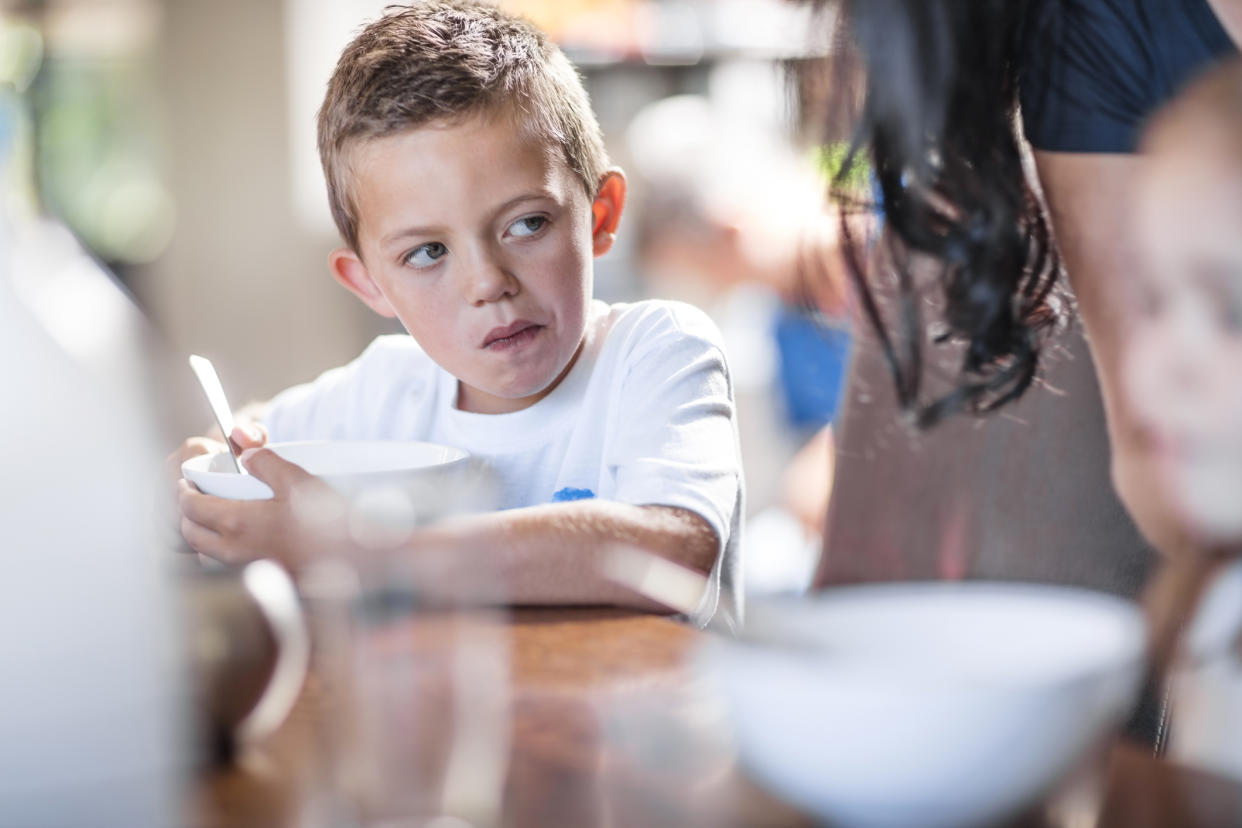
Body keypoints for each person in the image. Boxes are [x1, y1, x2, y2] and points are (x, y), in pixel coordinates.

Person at [171, 1, 743, 626]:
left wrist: (356, 550)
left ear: (600, 216)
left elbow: (672, 548)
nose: (488, 283)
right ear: (369, 284)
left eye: (528, 224)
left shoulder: (655, 352)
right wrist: (202, 480)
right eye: (427, 252)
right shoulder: (386, 390)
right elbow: (251, 437)